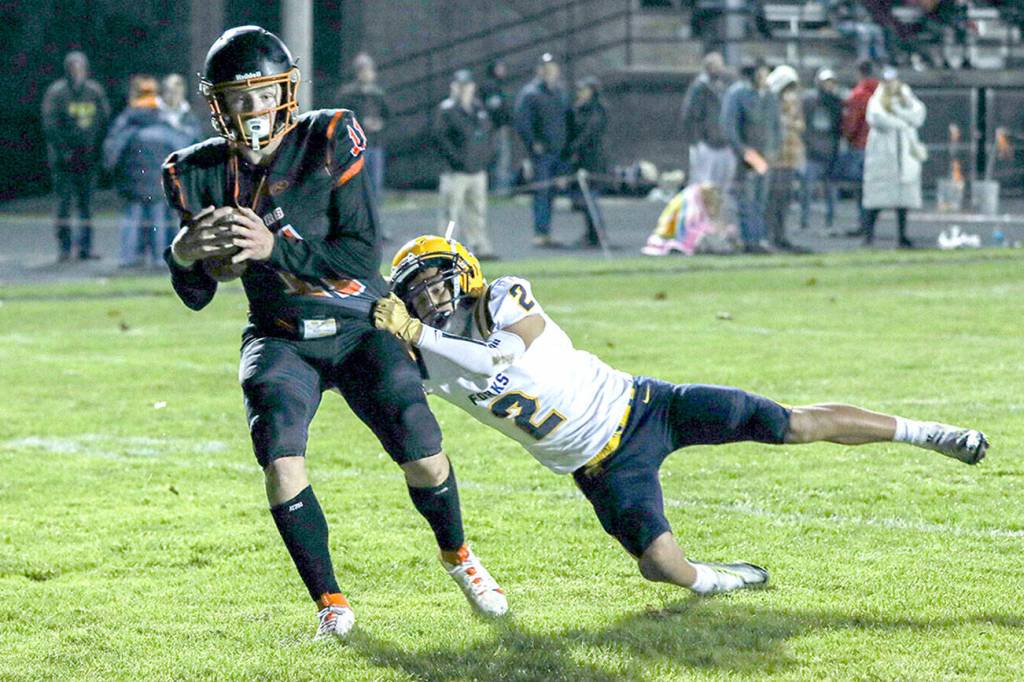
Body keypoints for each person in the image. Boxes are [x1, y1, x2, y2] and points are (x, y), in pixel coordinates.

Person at [372, 235, 988, 596]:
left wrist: (419, 334)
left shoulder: (504, 297)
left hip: (646, 405)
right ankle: (725, 580)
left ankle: (929, 434)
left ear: (465, 273)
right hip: (600, 466)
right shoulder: (421, 357)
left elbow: (501, 354)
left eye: (437, 279)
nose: (430, 294)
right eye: (417, 288)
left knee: (788, 423)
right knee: (663, 569)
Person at [161, 26, 506, 642]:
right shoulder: (198, 173)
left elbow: (357, 255)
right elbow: (197, 295)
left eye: (262, 92)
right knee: (280, 461)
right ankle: (330, 601)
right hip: (280, 334)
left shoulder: (326, 139)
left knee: (423, 452)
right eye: (236, 97)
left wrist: (274, 248)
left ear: (286, 92)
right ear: (216, 105)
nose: (251, 109)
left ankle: (458, 555)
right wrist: (184, 255)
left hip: (357, 325)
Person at [104, 75, 194, 267]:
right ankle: (160, 258)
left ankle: (128, 258)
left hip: (134, 182)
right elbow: (184, 147)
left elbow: (112, 152)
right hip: (158, 183)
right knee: (158, 220)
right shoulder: (165, 122)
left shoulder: (128, 121)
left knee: (133, 219)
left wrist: (113, 172)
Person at [41, 50, 110, 261]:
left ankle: (86, 248)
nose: (77, 72)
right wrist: (64, 150)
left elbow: (103, 119)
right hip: (64, 160)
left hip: (88, 159)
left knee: (86, 206)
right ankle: (64, 248)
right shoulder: (57, 93)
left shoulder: (94, 92)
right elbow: (50, 124)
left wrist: (95, 148)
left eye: (81, 68)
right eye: (73, 68)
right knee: (63, 205)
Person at [861, 66, 927, 248]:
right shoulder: (877, 99)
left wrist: (899, 114)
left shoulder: (907, 97)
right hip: (883, 154)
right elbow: (877, 118)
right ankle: (868, 236)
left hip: (904, 153)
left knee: (903, 200)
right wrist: (902, 122)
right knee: (876, 197)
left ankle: (902, 236)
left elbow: (918, 115)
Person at [433, 70, 495, 259]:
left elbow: (487, 135)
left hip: (477, 170)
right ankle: (446, 249)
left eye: (467, 86)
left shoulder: (478, 108)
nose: (463, 90)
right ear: (454, 87)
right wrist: (456, 160)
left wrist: (485, 158)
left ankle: (478, 246)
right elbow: (440, 139)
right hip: (456, 172)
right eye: (460, 86)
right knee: (451, 212)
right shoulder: (447, 110)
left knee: (477, 211)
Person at [514, 52, 572, 248]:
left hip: (559, 150)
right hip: (542, 153)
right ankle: (541, 232)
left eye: (552, 68)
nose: (549, 72)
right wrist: (532, 143)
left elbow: (566, 120)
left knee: (552, 193)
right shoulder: (530, 93)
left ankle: (546, 232)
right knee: (542, 193)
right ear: (539, 70)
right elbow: (522, 122)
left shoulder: (559, 91)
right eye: (546, 68)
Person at [721, 60, 779, 254]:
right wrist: (745, 152)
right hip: (747, 155)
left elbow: (776, 126)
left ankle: (759, 238)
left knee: (761, 199)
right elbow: (730, 126)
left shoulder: (770, 96)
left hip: (765, 155)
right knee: (747, 198)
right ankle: (750, 240)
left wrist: (773, 150)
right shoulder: (738, 94)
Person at [338, 53, 390, 208]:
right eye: (363, 70)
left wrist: (380, 124)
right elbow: (342, 117)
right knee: (357, 182)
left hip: (375, 143)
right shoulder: (349, 94)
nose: (367, 73)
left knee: (375, 184)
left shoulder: (378, 94)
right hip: (357, 145)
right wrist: (361, 123)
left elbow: (388, 115)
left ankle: (374, 220)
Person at [679, 52, 735, 195]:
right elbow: (690, 114)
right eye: (716, 66)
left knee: (722, 183)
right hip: (705, 141)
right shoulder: (699, 87)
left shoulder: (724, 86)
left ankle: (716, 213)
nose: (719, 69)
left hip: (723, 141)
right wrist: (696, 140)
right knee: (702, 183)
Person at [764, 65, 806, 252]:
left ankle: (781, 234)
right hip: (773, 158)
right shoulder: (769, 101)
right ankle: (769, 235)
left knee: (785, 198)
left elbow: (800, 124)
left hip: (790, 156)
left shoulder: (793, 102)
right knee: (771, 198)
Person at [800, 68, 843, 233]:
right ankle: (805, 221)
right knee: (807, 189)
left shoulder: (836, 102)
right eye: (826, 82)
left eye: (832, 82)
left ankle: (831, 221)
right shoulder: (809, 100)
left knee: (831, 191)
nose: (829, 86)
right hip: (812, 152)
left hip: (831, 152)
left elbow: (839, 127)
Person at [567, 76, 608, 248]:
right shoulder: (580, 109)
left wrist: (574, 148)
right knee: (585, 199)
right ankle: (591, 232)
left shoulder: (596, 111)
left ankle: (597, 234)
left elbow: (589, 134)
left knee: (590, 198)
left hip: (592, 160)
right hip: (583, 159)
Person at [841, 60, 880, 238]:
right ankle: (870, 225)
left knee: (861, 188)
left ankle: (864, 226)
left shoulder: (858, 95)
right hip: (881, 147)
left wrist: (847, 137)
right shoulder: (882, 93)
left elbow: (851, 123)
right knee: (876, 188)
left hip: (861, 146)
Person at [478, 60, 514, 195]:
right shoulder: (491, 86)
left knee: (497, 160)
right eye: (500, 68)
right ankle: (500, 190)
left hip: (492, 128)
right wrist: (504, 122)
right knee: (501, 160)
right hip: (495, 128)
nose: (503, 70)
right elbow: (495, 108)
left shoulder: (493, 85)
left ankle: (496, 189)